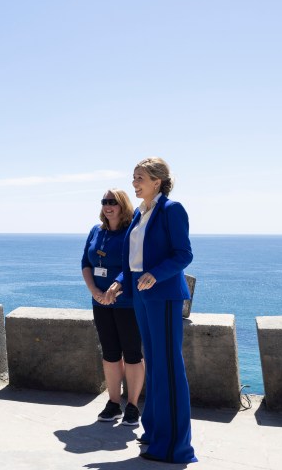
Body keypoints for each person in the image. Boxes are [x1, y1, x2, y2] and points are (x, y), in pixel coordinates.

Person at [103, 158, 197, 464]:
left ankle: (174, 446)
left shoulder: (172, 210)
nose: (134, 183)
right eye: (133, 177)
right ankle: (155, 432)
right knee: (155, 365)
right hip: (142, 297)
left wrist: (156, 274)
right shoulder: (140, 214)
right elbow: (132, 261)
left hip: (164, 296)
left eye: (139, 177)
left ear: (157, 181)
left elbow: (183, 254)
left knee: (168, 369)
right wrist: (119, 283)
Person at [81, 189, 143, 426]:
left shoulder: (132, 232)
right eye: (105, 202)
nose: (108, 206)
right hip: (100, 302)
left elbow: (133, 265)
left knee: (133, 354)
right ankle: (114, 403)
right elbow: (86, 263)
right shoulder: (96, 231)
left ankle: (133, 405)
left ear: (123, 205)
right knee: (110, 353)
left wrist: (114, 289)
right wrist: (95, 292)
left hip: (127, 302)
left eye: (113, 202)